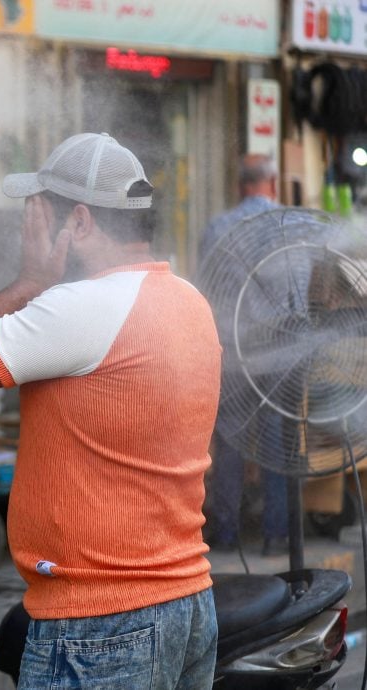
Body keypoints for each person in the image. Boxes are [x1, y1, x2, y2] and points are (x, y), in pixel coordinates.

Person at [0, 133, 221, 689]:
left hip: (101, 624)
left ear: (81, 224)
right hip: (187, 602)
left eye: (40, 216)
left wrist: (31, 280)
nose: (28, 229)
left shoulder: (82, 306)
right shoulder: (190, 301)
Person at [198, 153, 288, 556]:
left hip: (232, 351)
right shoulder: (291, 226)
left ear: (240, 187)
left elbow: (207, 292)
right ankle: (275, 536)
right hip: (279, 352)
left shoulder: (218, 228)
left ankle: (227, 533)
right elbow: (299, 297)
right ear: (273, 183)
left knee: (231, 441)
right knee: (276, 445)